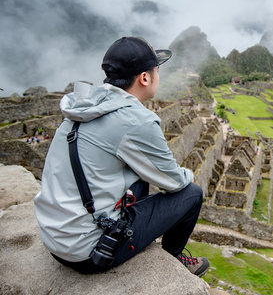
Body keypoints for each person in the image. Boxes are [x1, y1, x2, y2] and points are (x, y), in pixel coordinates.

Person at [34, 36, 209, 276]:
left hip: (54, 238)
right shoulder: (136, 121)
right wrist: (188, 174)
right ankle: (174, 259)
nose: (159, 76)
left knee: (139, 178)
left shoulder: (83, 106)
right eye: (157, 70)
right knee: (192, 194)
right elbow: (175, 182)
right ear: (145, 78)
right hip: (89, 252)